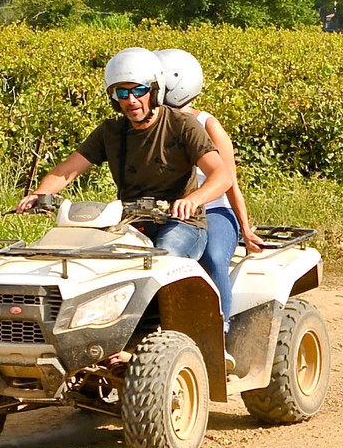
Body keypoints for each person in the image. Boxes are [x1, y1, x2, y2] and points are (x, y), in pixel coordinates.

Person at [14, 47, 233, 261]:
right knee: (92, 260)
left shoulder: (183, 125)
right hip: (129, 220)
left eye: (139, 90)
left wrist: (192, 201)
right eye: (123, 93)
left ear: (155, 91)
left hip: (181, 223)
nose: (131, 100)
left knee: (165, 257)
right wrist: (38, 195)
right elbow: (67, 171)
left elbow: (221, 176)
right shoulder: (111, 131)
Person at [156, 48, 263, 324]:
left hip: (214, 209)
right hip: (168, 211)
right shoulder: (152, 125)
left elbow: (230, 182)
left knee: (214, 257)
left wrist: (246, 229)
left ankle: (221, 331)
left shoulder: (207, 124)